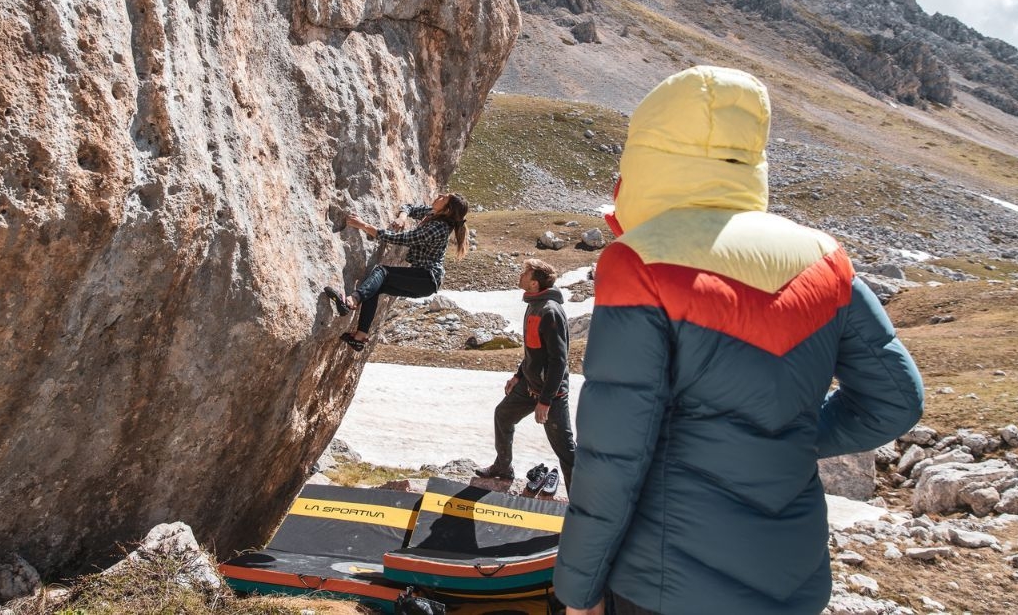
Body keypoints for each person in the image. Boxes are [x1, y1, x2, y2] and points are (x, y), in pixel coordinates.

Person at [552, 66, 924, 615]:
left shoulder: (640, 261)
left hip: (665, 585)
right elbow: (897, 399)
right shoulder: (826, 258)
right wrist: (784, 435)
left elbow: (614, 457)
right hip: (793, 581)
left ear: (646, 159)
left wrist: (577, 591)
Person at [475, 259, 576, 493]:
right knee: (503, 415)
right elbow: (535, 351)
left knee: (565, 449)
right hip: (530, 386)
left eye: (525, 272)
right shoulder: (534, 305)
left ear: (534, 282)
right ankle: (503, 468)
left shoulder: (549, 311)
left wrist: (546, 400)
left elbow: (558, 361)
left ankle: (580, 504)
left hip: (551, 393)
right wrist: (518, 375)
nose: (520, 275)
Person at [325, 193, 469, 351]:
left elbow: (403, 239)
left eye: (444, 198)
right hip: (422, 278)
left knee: (382, 271)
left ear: (447, 210)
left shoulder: (439, 228)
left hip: (426, 278)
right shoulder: (433, 213)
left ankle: (351, 301)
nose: (440, 195)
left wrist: (363, 226)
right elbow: (409, 207)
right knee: (376, 288)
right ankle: (360, 337)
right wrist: (402, 217)